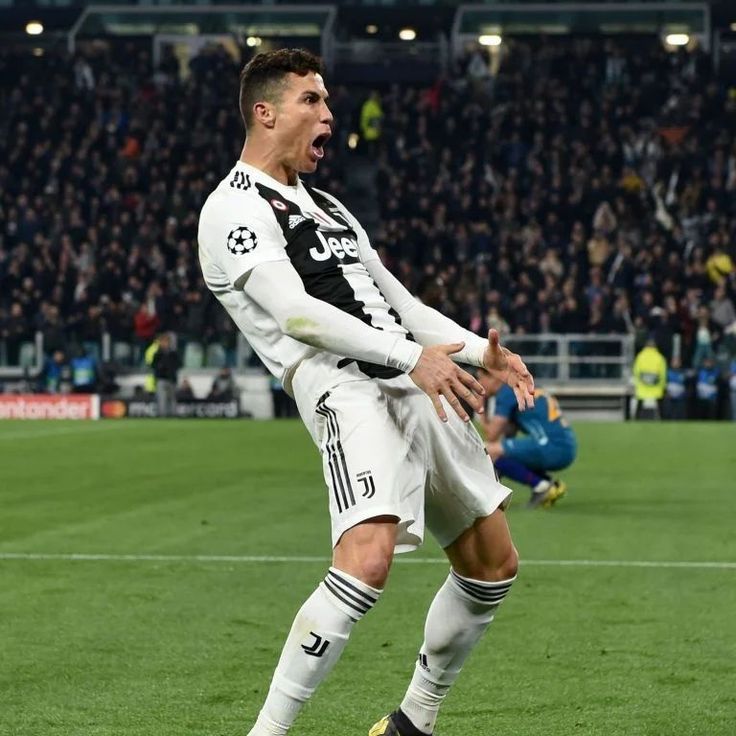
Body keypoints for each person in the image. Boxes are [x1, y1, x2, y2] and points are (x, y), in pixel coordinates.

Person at [197, 49, 535, 736]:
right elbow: (296, 313)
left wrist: (478, 352)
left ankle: (414, 720)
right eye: (312, 101)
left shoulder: (328, 205)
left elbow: (400, 302)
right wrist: (412, 359)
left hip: (414, 375)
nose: (329, 114)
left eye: (326, 101)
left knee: (493, 564)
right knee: (369, 554)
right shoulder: (230, 209)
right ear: (266, 112)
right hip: (341, 383)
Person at [477, 370, 575, 508]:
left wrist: (480, 408)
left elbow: (491, 435)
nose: (479, 384)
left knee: (488, 451)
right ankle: (546, 483)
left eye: (481, 378)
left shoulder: (507, 391)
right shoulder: (519, 386)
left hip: (551, 446)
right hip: (564, 446)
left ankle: (541, 485)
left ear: (494, 378)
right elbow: (508, 435)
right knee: (499, 453)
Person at [632, 336, 667, 419]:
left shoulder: (640, 356)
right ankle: (663, 419)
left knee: (640, 403)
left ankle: (636, 418)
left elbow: (636, 371)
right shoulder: (660, 357)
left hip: (642, 385)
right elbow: (663, 373)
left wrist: (638, 382)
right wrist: (663, 385)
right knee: (660, 404)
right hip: (656, 386)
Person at [151, 332, 180, 417]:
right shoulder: (157, 354)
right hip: (161, 379)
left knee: (172, 399)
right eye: (163, 341)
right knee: (162, 398)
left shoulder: (173, 354)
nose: (164, 343)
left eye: (166, 341)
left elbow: (179, 364)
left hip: (171, 379)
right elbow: (153, 365)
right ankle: (162, 416)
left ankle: (173, 415)